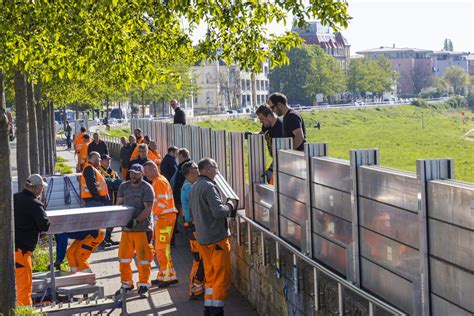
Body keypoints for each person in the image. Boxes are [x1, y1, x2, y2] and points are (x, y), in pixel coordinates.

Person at [189, 158, 237, 315]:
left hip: (203, 239)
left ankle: (208, 309)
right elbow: (219, 212)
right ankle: (217, 310)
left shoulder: (194, 186)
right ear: (208, 169)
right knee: (221, 277)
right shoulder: (209, 186)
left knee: (210, 277)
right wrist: (230, 204)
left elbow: (191, 214)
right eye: (215, 168)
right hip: (217, 240)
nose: (217, 171)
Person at [115, 164, 155, 297]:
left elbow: (148, 209)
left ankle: (144, 284)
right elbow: (119, 204)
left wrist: (136, 220)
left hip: (142, 229)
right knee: (124, 258)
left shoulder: (147, 188)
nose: (133, 176)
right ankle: (127, 283)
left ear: (142, 174)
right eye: (132, 173)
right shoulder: (123, 186)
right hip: (127, 230)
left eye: (136, 173)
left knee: (143, 258)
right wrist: (119, 219)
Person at [14, 174, 50, 306]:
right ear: (36, 189)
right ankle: (25, 311)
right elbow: (44, 225)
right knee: (25, 288)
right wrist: (42, 206)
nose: (42, 190)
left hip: (11, 249)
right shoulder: (35, 204)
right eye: (41, 188)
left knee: (16, 286)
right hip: (22, 252)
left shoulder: (15, 198)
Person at [143, 161, 179, 288]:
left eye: (146, 172)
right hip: (164, 218)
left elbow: (162, 202)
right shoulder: (158, 181)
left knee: (161, 248)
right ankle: (165, 275)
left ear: (154, 169)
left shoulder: (159, 182)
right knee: (162, 248)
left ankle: (168, 277)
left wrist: (152, 215)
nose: (145, 175)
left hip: (165, 219)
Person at [181, 161, 205, 300]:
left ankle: (198, 286)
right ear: (191, 172)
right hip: (193, 227)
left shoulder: (189, 186)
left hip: (193, 226)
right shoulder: (189, 189)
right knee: (199, 259)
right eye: (196, 168)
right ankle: (194, 288)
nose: (198, 170)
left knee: (200, 258)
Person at [255, 105, 284, 184]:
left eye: (262, 119)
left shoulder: (280, 128)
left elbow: (281, 154)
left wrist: (271, 170)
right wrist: (253, 135)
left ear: (269, 116)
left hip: (284, 163)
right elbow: (262, 133)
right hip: (275, 161)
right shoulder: (266, 125)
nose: (261, 121)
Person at [99, 154, 121, 247]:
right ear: (101, 161)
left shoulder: (113, 171)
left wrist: (111, 183)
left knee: (112, 220)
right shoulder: (99, 171)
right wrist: (112, 183)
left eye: (109, 160)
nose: (108, 162)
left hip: (113, 198)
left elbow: (119, 182)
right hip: (103, 199)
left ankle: (108, 237)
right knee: (103, 220)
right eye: (106, 160)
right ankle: (101, 240)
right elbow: (104, 182)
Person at [170, 148, 191, 246]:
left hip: (180, 198)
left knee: (176, 219)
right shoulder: (186, 166)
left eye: (178, 157)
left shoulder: (184, 167)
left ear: (181, 156)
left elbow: (180, 182)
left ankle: (173, 240)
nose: (177, 159)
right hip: (181, 197)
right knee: (185, 219)